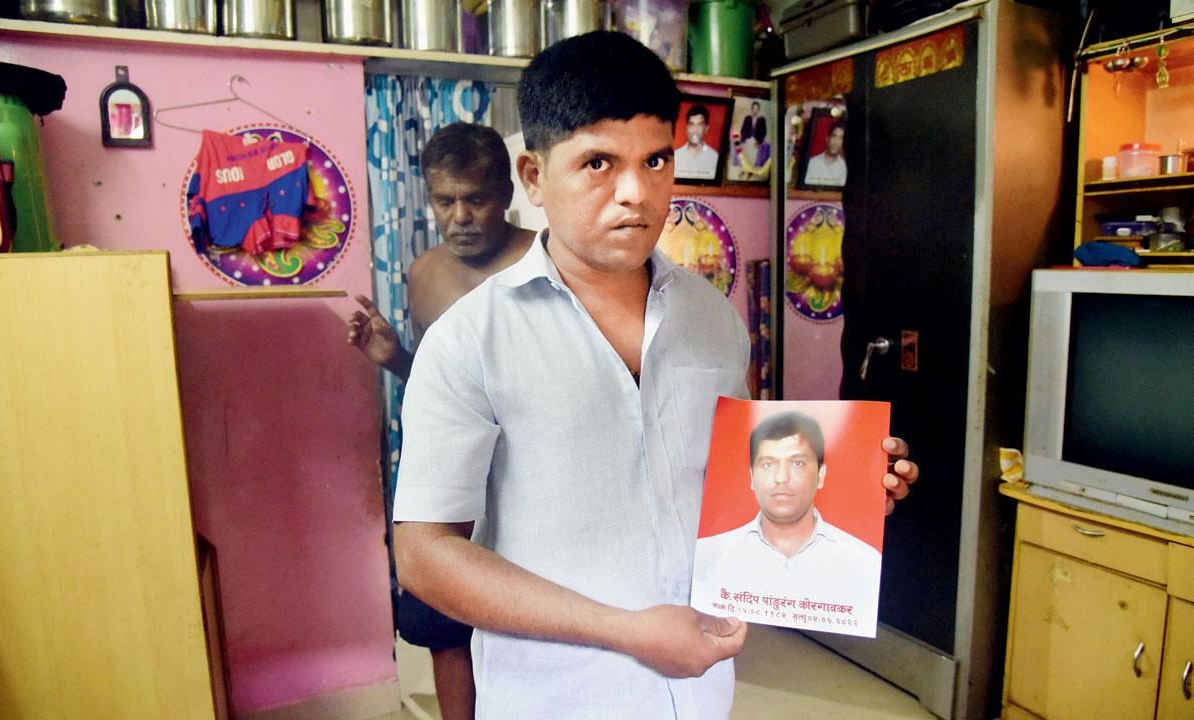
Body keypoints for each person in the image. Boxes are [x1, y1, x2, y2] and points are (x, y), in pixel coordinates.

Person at [390, 31, 917, 719]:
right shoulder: (470, 340)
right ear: (533, 178)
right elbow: (425, 556)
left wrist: (836, 493)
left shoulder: (712, 320)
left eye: (657, 159)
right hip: (552, 698)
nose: (636, 193)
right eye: (598, 162)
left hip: (698, 692)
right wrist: (625, 630)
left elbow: (736, 488)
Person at [346, 122, 534, 720]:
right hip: (457, 473)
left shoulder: (548, 257)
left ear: (506, 192)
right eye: (444, 200)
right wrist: (395, 358)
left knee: (535, 619)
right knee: (447, 620)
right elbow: (437, 393)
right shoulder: (423, 274)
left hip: (534, 474)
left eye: (475, 198)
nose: (460, 216)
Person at [691, 411, 881, 634]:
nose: (782, 477)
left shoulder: (863, 561)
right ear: (751, 477)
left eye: (798, 463)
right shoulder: (710, 555)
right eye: (768, 464)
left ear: (821, 475)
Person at [674, 104, 720, 180]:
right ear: (687, 128)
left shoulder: (715, 158)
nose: (695, 130)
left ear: (706, 129)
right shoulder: (675, 156)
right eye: (691, 124)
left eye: (699, 125)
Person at [804, 120, 847, 187]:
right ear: (827, 139)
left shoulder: (844, 167)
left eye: (841, 138)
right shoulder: (812, 163)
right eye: (834, 136)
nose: (836, 142)